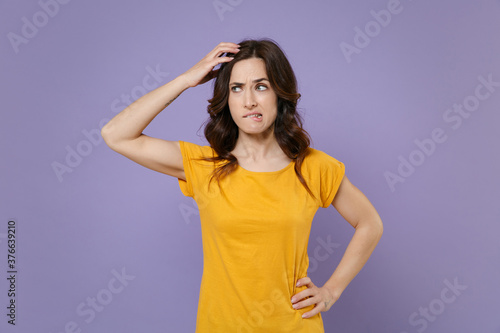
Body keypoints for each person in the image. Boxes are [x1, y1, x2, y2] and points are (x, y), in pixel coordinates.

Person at [101, 39, 383, 332]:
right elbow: (116, 135)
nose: (249, 100)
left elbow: (370, 223)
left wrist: (331, 291)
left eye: (261, 86)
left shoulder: (313, 167)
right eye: (237, 88)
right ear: (228, 99)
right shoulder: (205, 165)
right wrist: (186, 79)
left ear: (279, 94)